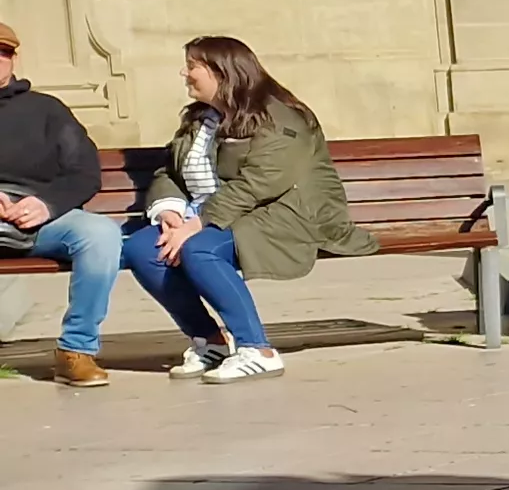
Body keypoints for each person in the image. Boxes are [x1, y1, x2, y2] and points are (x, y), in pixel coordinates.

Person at [124, 35, 375, 385]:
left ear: (222, 72)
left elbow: (262, 181)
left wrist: (199, 223)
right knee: (141, 248)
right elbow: (170, 170)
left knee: (200, 250)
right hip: (218, 214)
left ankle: (257, 350)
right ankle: (210, 342)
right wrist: (169, 210)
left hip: (284, 213)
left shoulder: (280, 117)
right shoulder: (201, 119)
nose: (184, 73)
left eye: (192, 66)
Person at [0, 21, 120, 388]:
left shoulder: (47, 111)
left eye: (3, 53)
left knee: (100, 234)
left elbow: (84, 172)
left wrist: (47, 204)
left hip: (41, 219)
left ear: (14, 58)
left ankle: (76, 350)